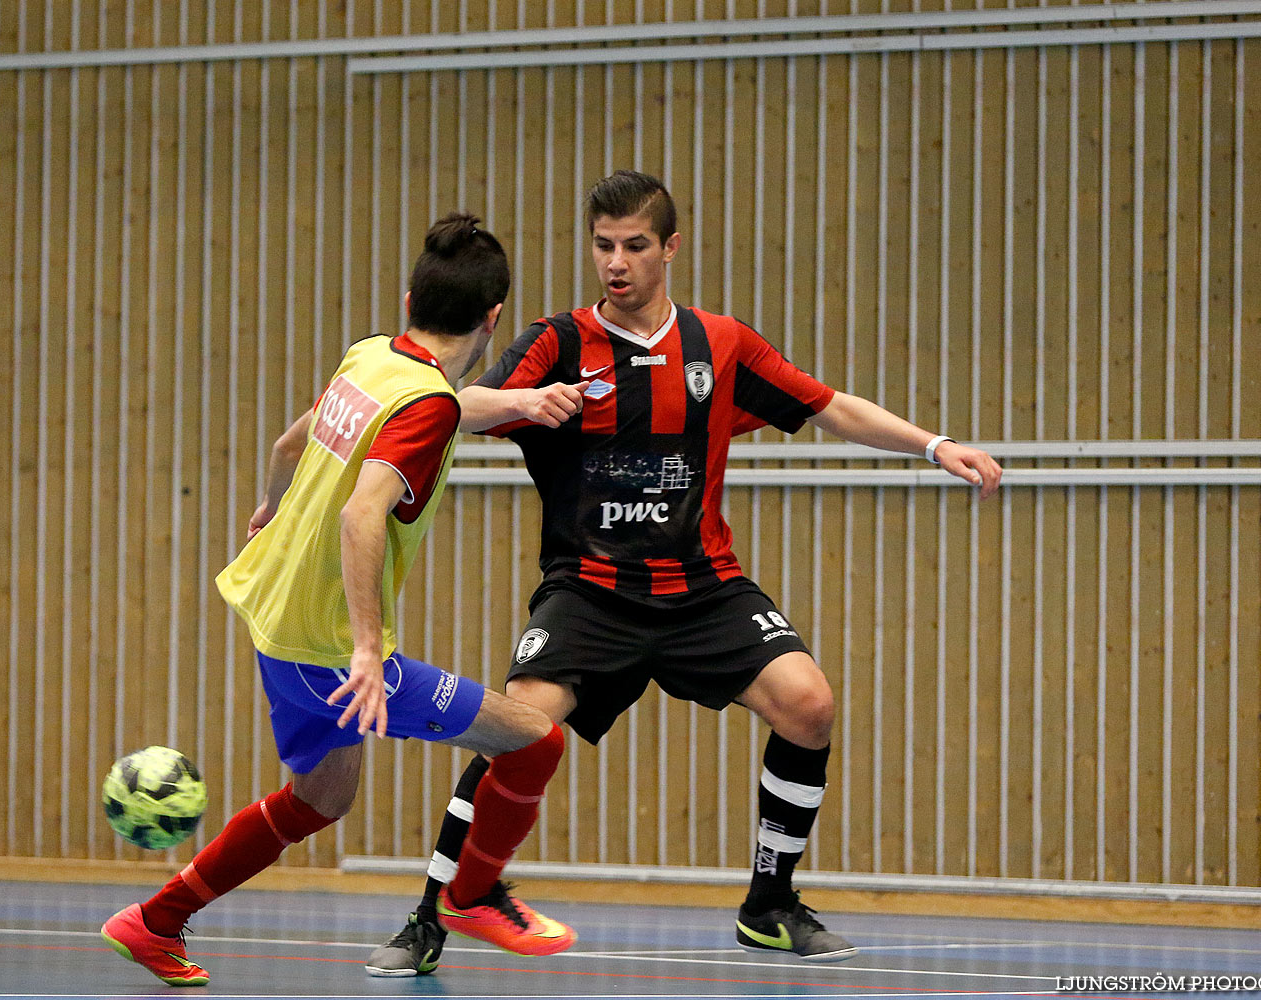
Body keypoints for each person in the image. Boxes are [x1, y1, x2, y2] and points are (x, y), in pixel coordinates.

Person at [366, 171, 1004, 976]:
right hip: (589, 592)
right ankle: (431, 914)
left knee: (809, 705)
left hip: (702, 587)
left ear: (670, 248)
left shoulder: (721, 344)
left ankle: (769, 906)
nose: (617, 263)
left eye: (635, 245)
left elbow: (828, 404)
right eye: (603, 246)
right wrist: (525, 405)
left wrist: (935, 446)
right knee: (517, 727)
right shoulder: (554, 343)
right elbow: (456, 406)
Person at [100, 214, 576, 988]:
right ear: (494, 319)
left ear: (411, 296)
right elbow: (364, 510)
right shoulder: (428, 404)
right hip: (330, 647)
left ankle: (153, 921)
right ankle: (471, 894)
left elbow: (296, 442)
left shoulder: (375, 358)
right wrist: (364, 648)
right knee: (534, 742)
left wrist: (269, 506)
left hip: (275, 616)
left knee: (320, 798)